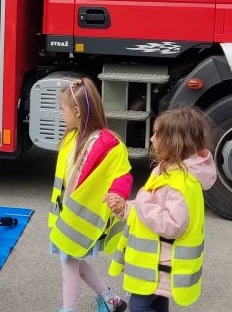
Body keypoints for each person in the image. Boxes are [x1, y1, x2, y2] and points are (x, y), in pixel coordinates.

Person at [110, 107, 217, 312]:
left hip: (159, 263)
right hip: (153, 262)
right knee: (157, 303)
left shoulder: (180, 182)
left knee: (138, 307)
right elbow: (149, 211)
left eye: (157, 134)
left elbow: (173, 225)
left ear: (174, 142)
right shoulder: (165, 171)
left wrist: (141, 201)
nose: (151, 139)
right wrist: (125, 208)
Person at [50, 78, 132, 312]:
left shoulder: (109, 143)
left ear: (76, 111)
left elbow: (122, 175)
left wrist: (117, 196)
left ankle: (69, 309)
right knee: (72, 258)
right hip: (70, 216)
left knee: (68, 259)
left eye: (62, 109)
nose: (60, 113)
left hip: (84, 218)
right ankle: (111, 300)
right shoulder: (72, 136)